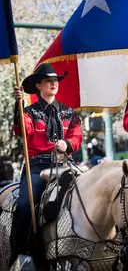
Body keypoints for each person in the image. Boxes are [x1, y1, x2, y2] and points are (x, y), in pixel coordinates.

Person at [10, 63, 83, 266]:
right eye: (49, 80)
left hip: (64, 165)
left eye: (56, 80)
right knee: (25, 206)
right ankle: (19, 255)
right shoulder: (30, 112)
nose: (54, 83)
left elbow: (77, 138)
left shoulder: (70, 113)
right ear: (39, 86)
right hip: (37, 166)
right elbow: (22, 130)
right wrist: (19, 105)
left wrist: (67, 143)